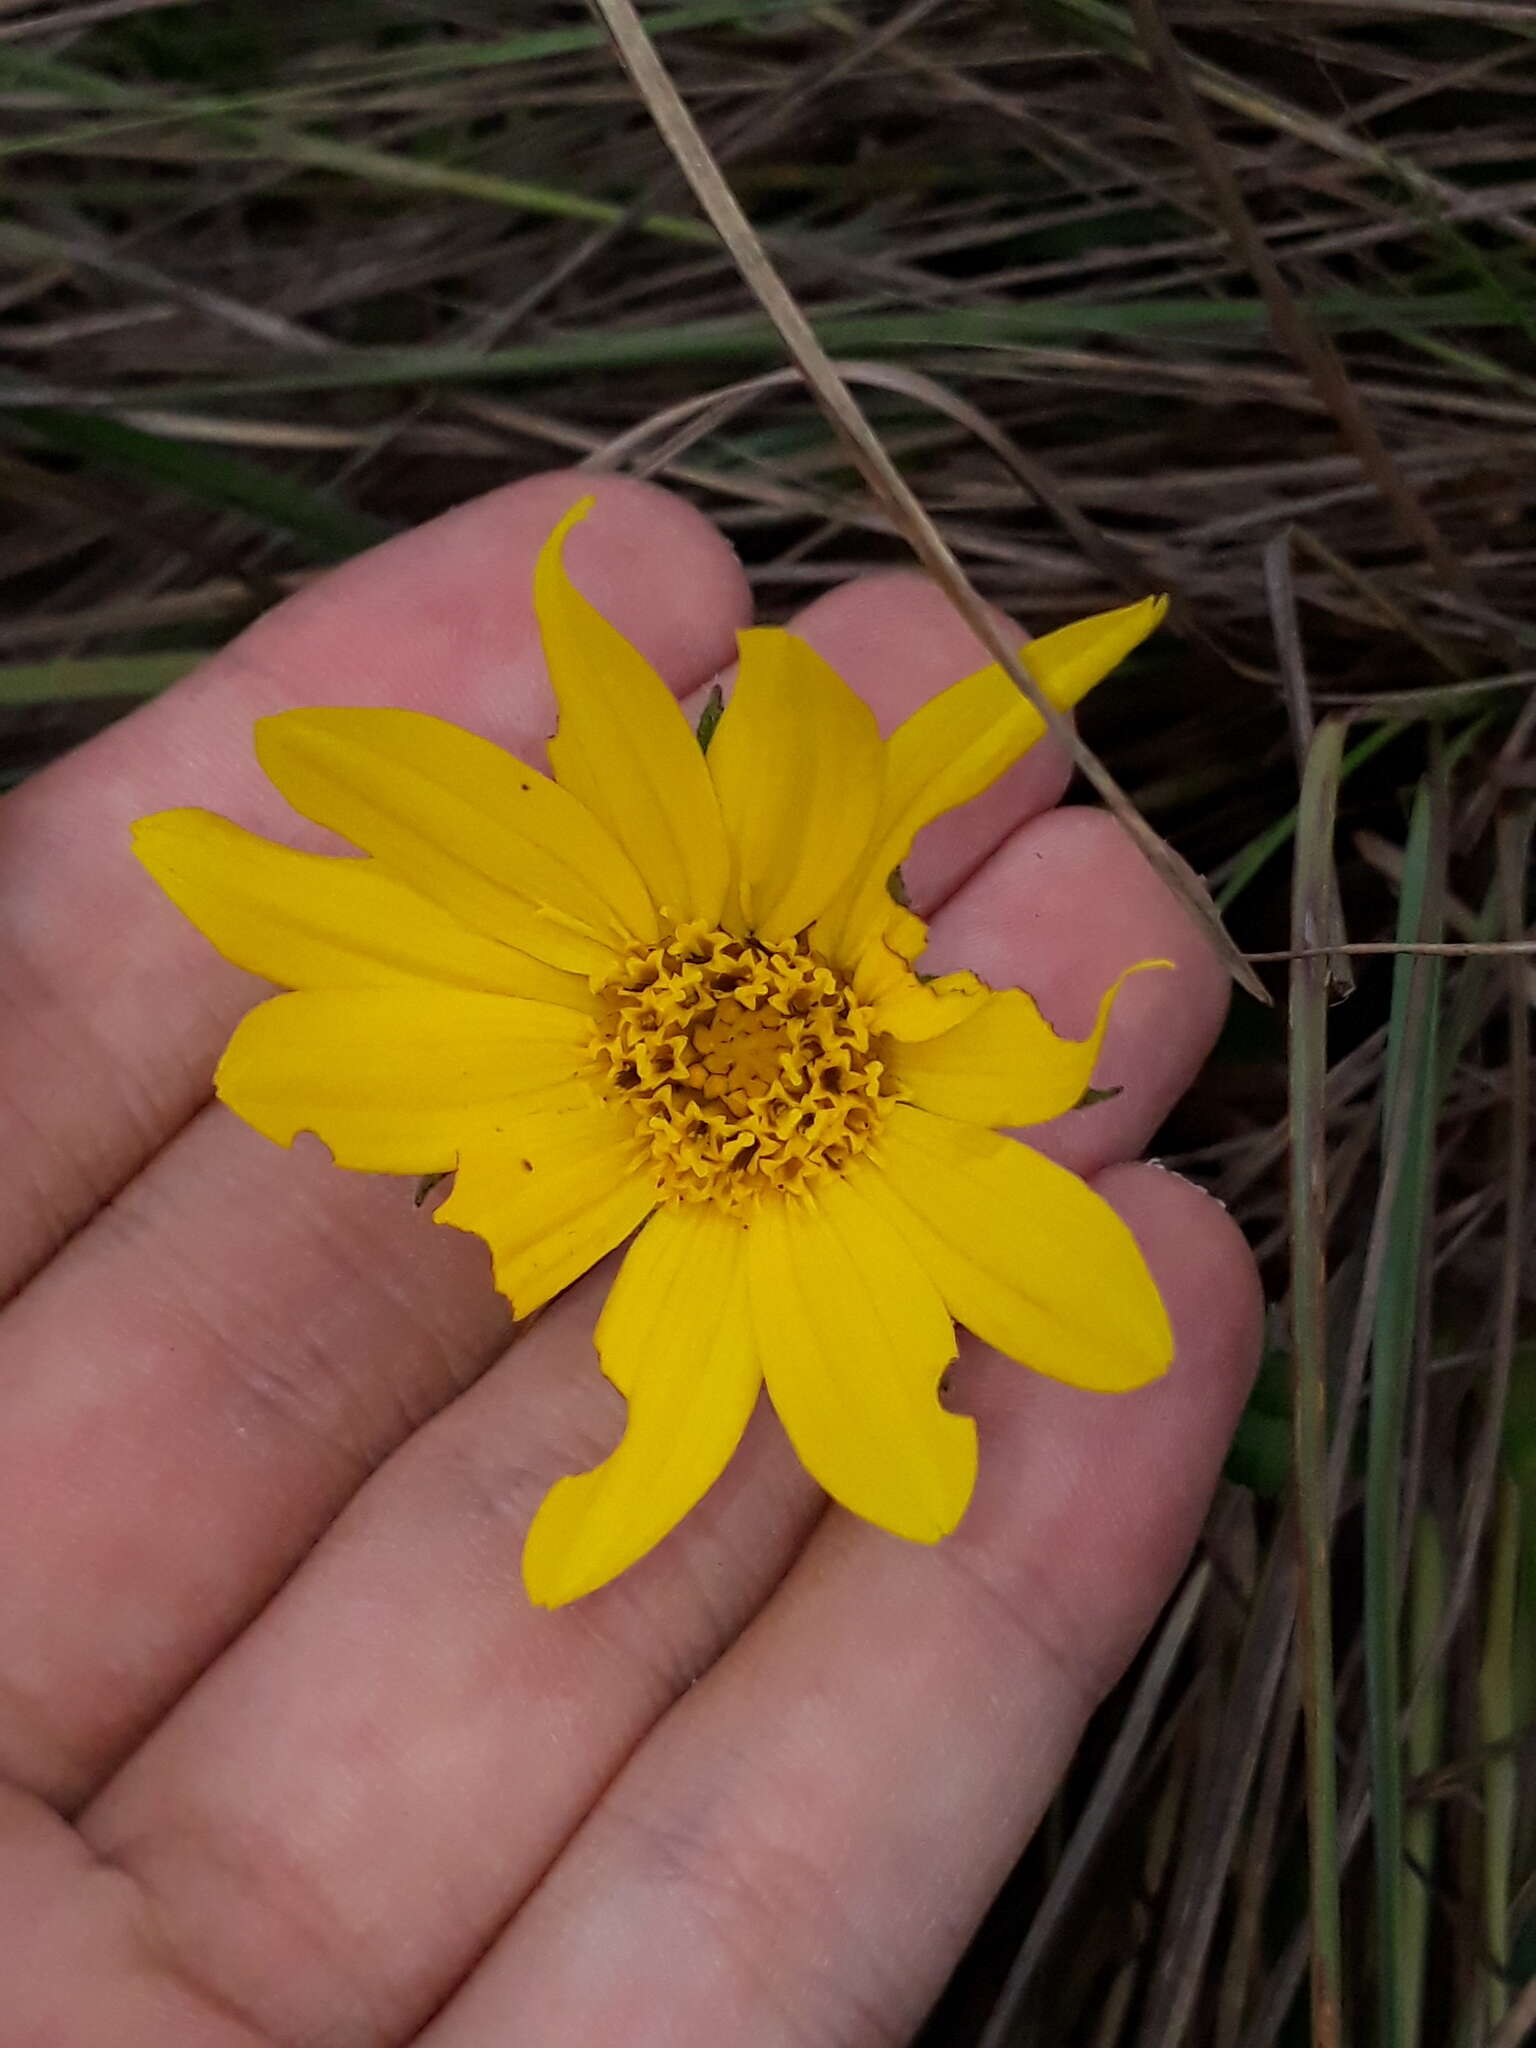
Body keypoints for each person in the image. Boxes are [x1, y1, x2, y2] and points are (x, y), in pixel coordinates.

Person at [0, 470, 1260, 2044]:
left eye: (749, 1047)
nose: (738, 1060)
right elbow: (310, 967)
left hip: (868, 1062)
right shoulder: (633, 1055)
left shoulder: (818, 997)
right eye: (717, 1052)